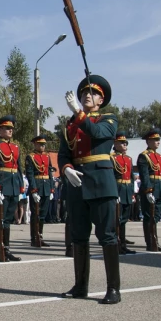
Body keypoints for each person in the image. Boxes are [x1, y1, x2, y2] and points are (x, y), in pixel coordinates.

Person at [58, 74, 121, 305]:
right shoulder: (70, 125)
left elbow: (98, 134)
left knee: (107, 236)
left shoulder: (109, 119)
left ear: (101, 100)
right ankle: (80, 286)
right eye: (84, 92)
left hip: (101, 183)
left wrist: (79, 114)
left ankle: (113, 288)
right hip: (77, 184)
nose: (86, 95)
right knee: (79, 236)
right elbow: (64, 153)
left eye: (93, 93)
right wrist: (65, 169)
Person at [0, 115, 24, 262]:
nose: (10, 131)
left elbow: (19, 168)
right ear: (0, 129)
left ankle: (6, 249)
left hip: (13, 185)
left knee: (7, 219)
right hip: (2, 185)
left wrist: (21, 185)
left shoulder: (15, 147)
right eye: (7, 128)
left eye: (11, 129)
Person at [137, 129, 161, 252]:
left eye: (158, 140)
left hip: (159, 187)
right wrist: (148, 190)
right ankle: (150, 242)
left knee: (156, 216)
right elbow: (144, 175)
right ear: (148, 141)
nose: (158, 142)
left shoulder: (159, 157)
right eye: (155, 140)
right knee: (148, 216)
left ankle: (155, 240)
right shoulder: (144, 156)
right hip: (150, 187)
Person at [25, 135, 55, 247]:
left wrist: (52, 189)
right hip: (37, 186)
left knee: (42, 214)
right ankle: (34, 238)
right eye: (40, 144)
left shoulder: (47, 157)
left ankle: (40, 236)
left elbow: (50, 173)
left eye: (44, 145)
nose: (42, 146)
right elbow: (30, 174)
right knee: (35, 214)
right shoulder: (30, 157)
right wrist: (33, 190)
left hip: (46, 187)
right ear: (35, 144)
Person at [110, 131, 136, 255]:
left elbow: (131, 177)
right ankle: (117, 243)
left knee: (124, 219)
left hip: (126, 190)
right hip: (118, 189)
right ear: (115, 143)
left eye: (125, 143)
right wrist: (114, 193)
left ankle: (123, 244)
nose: (124, 144)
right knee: (117, 219)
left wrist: (132, 192)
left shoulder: (128, 159)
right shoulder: (111, 158)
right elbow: (110, 177)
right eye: (121, 142)